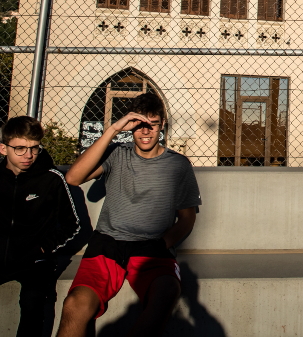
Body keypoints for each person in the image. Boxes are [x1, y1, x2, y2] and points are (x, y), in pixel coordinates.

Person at [57, 92, 200, 337]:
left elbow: (187, 218)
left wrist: (162, 244)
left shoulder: (178, 164)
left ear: (162, 125)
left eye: (152, 125)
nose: (145, 132)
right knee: (74, 304)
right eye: (139, 125)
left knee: (166, 292)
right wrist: (113, 130)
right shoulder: (116, 153)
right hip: (108, 244)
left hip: (151, 248)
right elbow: (73, 178)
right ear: (130, 126)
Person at [0, 116, 81, 337]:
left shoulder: (52, 179)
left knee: (33, 303)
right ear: (3, 148)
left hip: (34, 262)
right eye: (19, 148)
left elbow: (72, 224)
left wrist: (43, 248)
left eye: (34, 148)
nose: (28, 155)